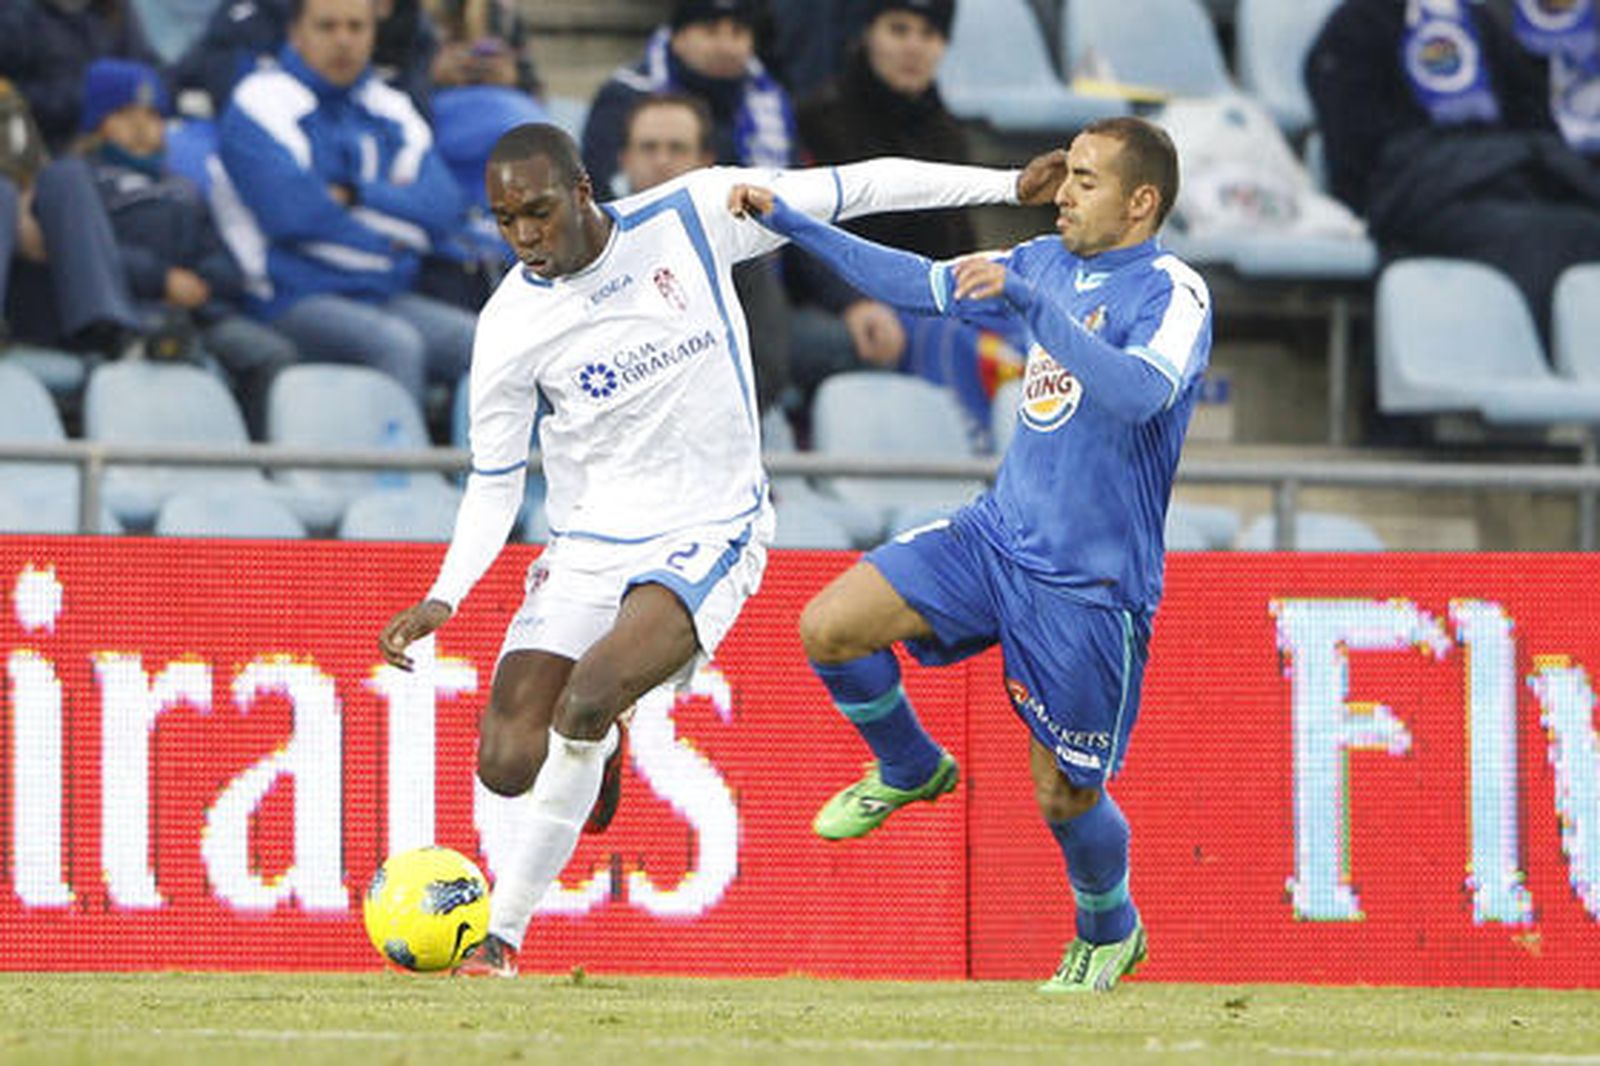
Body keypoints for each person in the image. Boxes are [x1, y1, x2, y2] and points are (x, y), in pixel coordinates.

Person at [375, 121, 1064, 977]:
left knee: (584, 700)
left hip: (711, 523)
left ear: (584, 189)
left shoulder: (694, 213)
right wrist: (448, 593)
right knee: (508, 761)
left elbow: (861, 181)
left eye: (539, 212)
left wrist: (1006, 184)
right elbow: (495, 475)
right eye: (505, 219)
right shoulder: (510, 322)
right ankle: (604, 743)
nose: (524, 237)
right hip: (589, 540)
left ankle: (502, 937)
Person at [730, 115, 1210, 992]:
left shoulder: (1172, 291)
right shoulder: (1043, 260)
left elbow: (1140, 394)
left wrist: (1035, 306)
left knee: (1064, 796)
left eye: (1088, 180)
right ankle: (911, 766)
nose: (1063, 192)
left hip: (1089, 588)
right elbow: (916, 283)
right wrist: (792, 228)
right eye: (1068, 173)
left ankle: (1111, 930)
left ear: (1142, 203)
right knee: (830, 627)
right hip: (996, 537)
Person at [215, 0, 475, 410]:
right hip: (290, 296)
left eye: (356, 27)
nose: (343, 40)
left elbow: (443, 210)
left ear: (373, 33)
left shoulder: (390, 105)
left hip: (384, 292)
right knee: (396, 344)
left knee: (485, 344)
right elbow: (292, 215)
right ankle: (398, 474)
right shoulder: (260, 100)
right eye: (328, 26)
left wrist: (357, 195)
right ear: (296, 34)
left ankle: (490, 475)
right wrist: (393, 235)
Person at [1305, 0, 1600, 342]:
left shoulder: (1483, 24)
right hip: (1424, 198)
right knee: (1535, 238)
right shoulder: (1358, 24)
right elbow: (1353, 153)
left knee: (1580, 225)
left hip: (1507, 184)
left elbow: (1535, 122)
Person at [796, 0, 1023, 441]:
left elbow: (962, 243)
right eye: (898, 30)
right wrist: (852, 303)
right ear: (868, 34)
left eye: (929, 35)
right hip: (852, 299)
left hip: (933, 295)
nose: (913, 48)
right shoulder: (816, 119)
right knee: (963, 346)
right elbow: (802, 241)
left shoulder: (948, 131)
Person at [78, 58, 298, 436]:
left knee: (272, 354)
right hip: (130, 314)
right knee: (177, 359)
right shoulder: (82, 182)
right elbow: (84, 255)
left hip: (201, 313)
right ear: (99, 123)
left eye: (152, 115)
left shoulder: (182, 187)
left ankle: (263, 466)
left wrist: (205, 283)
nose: (141, 128)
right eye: (124, 114)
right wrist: (161, 280)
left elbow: (225, 260)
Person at [617, 91, 791, 414]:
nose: (661, 161)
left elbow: (767, 364)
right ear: (624, 159)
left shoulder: (742, 248)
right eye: (648, 148)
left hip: (716, 432)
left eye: (677, 148)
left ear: (705, 162)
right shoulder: (588, 251)